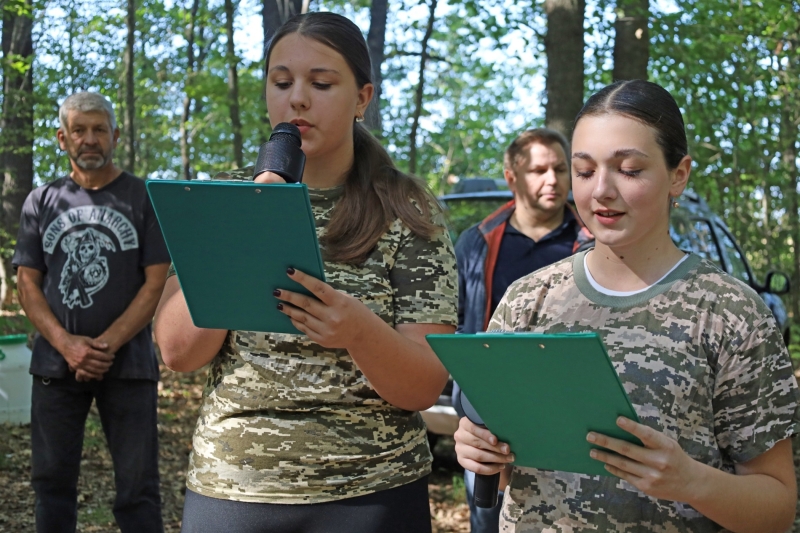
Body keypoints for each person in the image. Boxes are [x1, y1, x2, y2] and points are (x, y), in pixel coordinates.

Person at [153, 12, 458, 533]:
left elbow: (424, 386)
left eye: (321, 83)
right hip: (234, 489)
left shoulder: (406, 210)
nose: (297, 99)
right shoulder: (218, 201)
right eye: (281, 82)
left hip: (372, 493)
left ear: (363, 98)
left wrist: (358, 331)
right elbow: (179, 353)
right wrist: (250, 218)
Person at [453, 79, 799, 533]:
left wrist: (691, 481)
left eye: (630, 169)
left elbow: (776, 508)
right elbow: (502, 478)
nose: (601, 191)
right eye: (584, 171)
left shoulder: (731, 314)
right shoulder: (527, 301)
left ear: (679, 174)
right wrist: (480, 453)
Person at [13, 92, 170, 532]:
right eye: (79, 130)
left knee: (138, 488)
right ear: (62, 139)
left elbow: (155, 282)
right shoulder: (41, 201)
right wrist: (67, 346)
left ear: (115, 135)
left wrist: (104, 346)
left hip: (130, 364)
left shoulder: (144, 197)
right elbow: (27, 284)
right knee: (51, 483)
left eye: (99, 129)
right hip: (55, 365)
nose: (90, 139)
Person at [452, 128, 592, 533]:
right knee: (489, 518)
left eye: (561, 169)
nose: (552, 180)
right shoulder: (477, 243)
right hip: (491, 412)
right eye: (538, 170)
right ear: (512, 177)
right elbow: (457, 323)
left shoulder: (592, 240)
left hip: (569, 406)